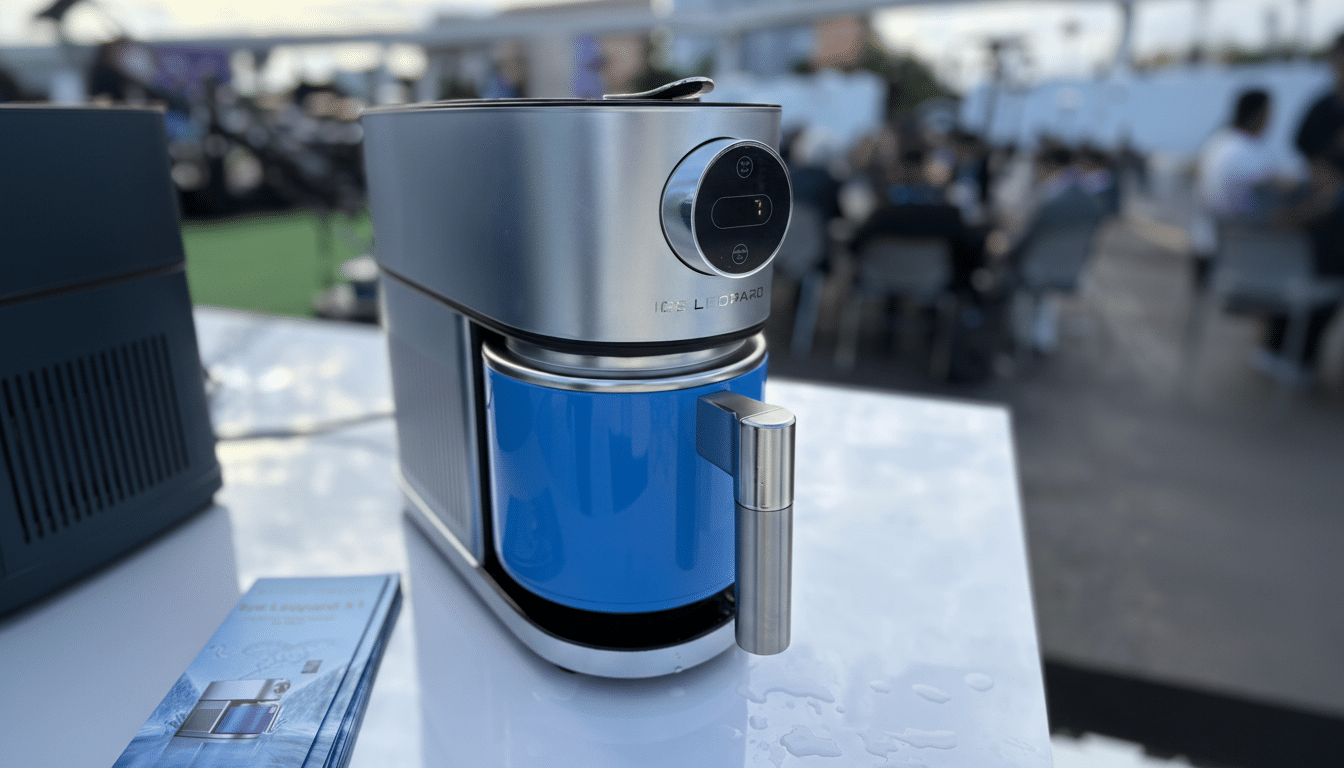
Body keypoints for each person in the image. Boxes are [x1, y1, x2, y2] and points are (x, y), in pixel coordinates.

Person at [1189, 89, 1281, 289]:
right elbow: (1274, 188)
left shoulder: (1217, 142)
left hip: (1203, 248)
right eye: (1268, 114)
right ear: (1258, 115)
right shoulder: (1246, 151)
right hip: (1234, 259)